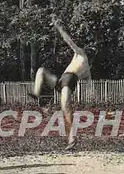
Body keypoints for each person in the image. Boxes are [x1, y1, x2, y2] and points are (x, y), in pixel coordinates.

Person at [29, 16, 92, 150]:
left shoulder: (80, 53)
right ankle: (37, 95)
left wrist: (59, 27)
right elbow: (88, 82)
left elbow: (69, 41)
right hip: (62, 80)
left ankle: (72, 139)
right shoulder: (86, 65)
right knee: (41, 71)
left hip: (69, 81)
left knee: (65, 108)